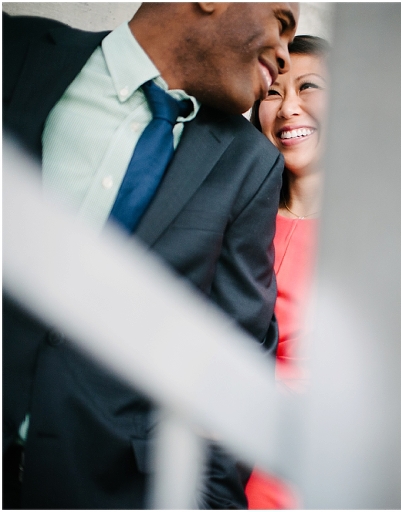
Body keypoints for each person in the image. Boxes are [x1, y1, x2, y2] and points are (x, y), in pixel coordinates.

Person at [2, 3, 298, 508]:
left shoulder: (250, 166)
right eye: (282, 24)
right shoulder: (16, 51)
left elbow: (229, 388)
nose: (287, 57)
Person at [244, 34, 330, 509]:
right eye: (273, 92)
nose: (288, 107)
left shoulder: (379, 237)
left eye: (309, 87)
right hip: (218, 467)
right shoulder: (231, 214)